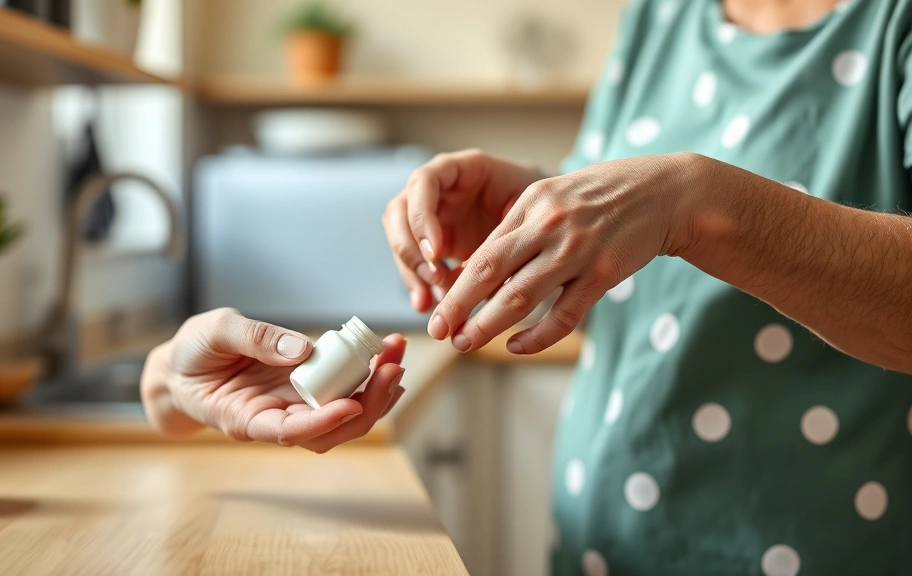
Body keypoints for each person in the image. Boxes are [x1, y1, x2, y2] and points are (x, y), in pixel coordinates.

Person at [380, 0, 912, 574]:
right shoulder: (661, 14)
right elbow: (631, 228)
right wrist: (533, 212)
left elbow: (672, 203)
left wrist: (694, 201)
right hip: (599, 546)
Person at [141, 307, 407, 453]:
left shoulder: (357, 364)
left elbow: (169, 411)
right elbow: (166, 411)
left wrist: (179, 386)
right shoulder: (337, 343)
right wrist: (178, 382)